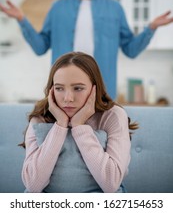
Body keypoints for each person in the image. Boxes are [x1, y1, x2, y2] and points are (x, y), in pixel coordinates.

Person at [0, 0, 173, 99]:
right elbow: (40, 47)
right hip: (63, 95)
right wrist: (22, 20)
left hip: (102, 94)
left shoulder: (114, 8)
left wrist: (151, 28)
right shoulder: (58, 7)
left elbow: (131, 50)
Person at [21, 52, 138, 193]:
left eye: (78, 88)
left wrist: (79, 126)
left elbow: (111, 183)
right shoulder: (40, 117)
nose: (68, 98)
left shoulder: (113, 116)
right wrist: (60, 125)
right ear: (51, 90)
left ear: (95, 88)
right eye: (59, 88)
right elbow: (32, 185)